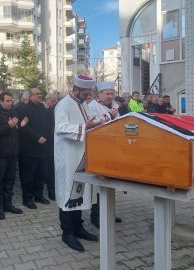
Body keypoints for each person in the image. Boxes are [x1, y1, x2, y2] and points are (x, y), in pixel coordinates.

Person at [54, 75, 103, 252]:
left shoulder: (82, 104)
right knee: (68, 192)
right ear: (76, 89)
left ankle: (78, 227)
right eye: (85, 93)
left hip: (82, 154)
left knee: (80, 191)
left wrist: (98, 124)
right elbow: (60, 128)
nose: (87, 96)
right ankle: (67, 232)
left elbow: (88, 123)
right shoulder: (63, 104)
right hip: (68, 156)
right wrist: (84, 127)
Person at [88, 81, 122, 228]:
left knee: (110, 184)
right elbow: (93, 124)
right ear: (99, 94)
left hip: (112, 148)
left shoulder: (114, 105)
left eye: (111, 93)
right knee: (99, 185)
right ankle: (96, 216)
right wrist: (109, 115)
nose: (110, 96)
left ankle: (109, 213)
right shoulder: (91, 106)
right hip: (98, 149)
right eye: (107, 94)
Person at [0, 92, 27, 220]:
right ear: (0, 101)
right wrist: (8, 126)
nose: (10, 103)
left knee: (10, 180)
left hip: (13, 152)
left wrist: (20, 127)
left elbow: (15, 131)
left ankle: (8, 204)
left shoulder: (14, 113)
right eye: (7, 101)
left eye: (11, 100)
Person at [19, 88, 50, 209]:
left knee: (40, 174)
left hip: (42, 148)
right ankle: (27, 198)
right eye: (37, 94)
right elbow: (24, 128)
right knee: (28, 175)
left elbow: (46, 125)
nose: (40, 96)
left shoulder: (42, 108)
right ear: (30, 96)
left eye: (41, 94)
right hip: (29, 148)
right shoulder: (24, 109)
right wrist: (37, 137)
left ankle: (39, 195)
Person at [46, 93, 58, 201]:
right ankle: (51, 191)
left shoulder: (57, 111)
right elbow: (50, 130)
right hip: (51, 145)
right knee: (51, 169)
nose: (55, 103)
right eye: (53, 101)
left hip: (59, 145)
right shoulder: (50, 112)